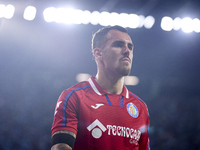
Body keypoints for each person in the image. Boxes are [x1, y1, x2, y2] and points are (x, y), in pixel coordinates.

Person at [51, 25, 150, 150]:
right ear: (98, 53)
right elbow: (61, 146)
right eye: (118, 45)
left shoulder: (140, 108)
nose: (127, 51)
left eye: (130, 47)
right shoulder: (74, 97)